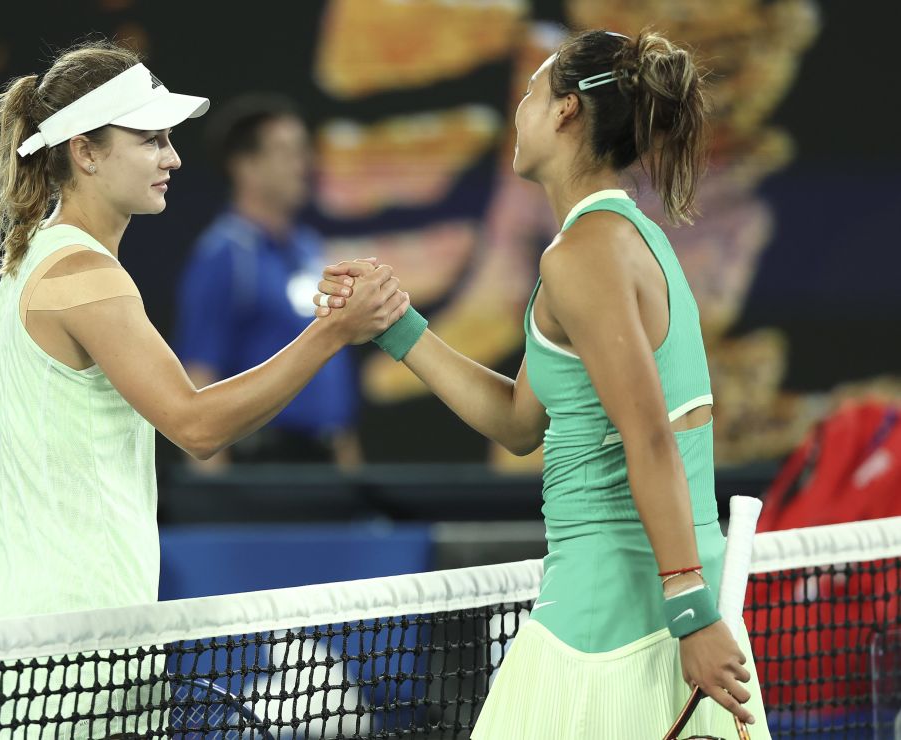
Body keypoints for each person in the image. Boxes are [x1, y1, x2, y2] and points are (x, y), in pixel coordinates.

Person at [316, 30, 768, 736]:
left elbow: (649, 436)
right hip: (655, 587)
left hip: (616, 604)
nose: (519, 109)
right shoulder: (615, 240)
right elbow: (521, 421)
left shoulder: (584, 253)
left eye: (531, 91)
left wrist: (689, 611)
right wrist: (399, 326)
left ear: (565, 112)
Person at [0, 41, 408, 622]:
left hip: (56, 616)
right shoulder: (84, 275)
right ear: (86, 153)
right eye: (150, 139)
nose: (172, 158)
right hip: (80, 628)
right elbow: (196, 426)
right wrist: (332, 332)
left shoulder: (36, 259)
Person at [176, 94, 362, 467]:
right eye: (286, 152)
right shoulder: (224, 255)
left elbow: (330, 369)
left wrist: (348, 469)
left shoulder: (311, 250)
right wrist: (212, 501)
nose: (303, 164)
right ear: (245, 167)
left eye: (304, 151)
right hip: (262, 465)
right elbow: (199, 373)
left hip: (324, 461)